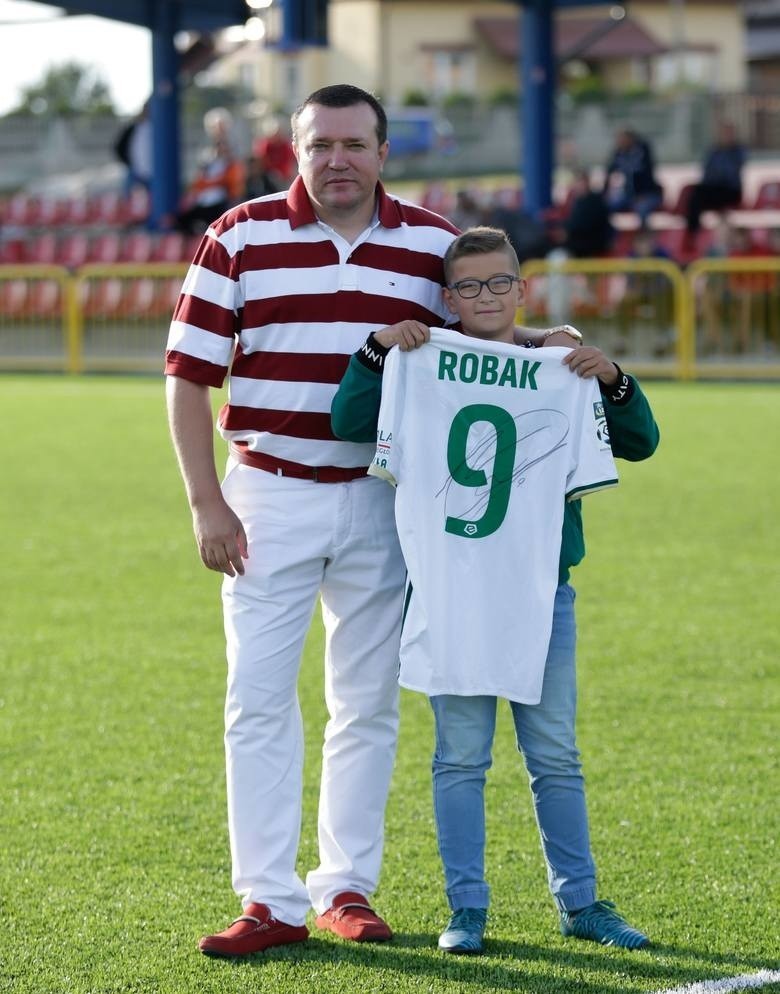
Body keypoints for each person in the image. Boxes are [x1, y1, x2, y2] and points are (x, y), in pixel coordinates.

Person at [165, 83, 464, 959]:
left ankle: (344, 887)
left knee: (364, 703)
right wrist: (204, 500)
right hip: (267, 491)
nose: (337, 159)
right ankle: (269, 899)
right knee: (257, 700)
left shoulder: (433, 244)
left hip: (382, 496)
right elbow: (188, 377)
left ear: (382, 153)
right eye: (319, 144)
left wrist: (558, 342)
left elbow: (482, 348)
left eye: (354, 144)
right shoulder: (239, 235)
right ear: (294, 152)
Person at [331, 226, 659, 956]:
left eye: (499, 283)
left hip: (541, 591)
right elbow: (349, 421)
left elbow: (640, 442)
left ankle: (580, 901)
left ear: (522, 287)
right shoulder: (424, 361)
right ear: (450, 297)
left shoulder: (557, 363)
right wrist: (379, 350)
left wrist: (612, 379)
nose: (486, 296)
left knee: (555, 755)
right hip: (451, 588)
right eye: (470, 286)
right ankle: (467, 908)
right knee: (460, 756)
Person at [176, 107, 247, 235]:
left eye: (221, 127)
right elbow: (199, 176)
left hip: (225, 197)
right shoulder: (206, 149)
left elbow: (236, 174)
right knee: (182, 219)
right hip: (205, 197)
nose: (219, 131)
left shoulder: (235, 148)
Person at [685, 122, 746, 236]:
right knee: (694, 194)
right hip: (713, 190)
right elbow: (706, 172)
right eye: (723, 133)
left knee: (700, 194)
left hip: (730, 191)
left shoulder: (738, 151)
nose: (726, 136)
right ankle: (692, 233)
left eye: (728, 133)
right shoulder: (713, 151)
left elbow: (729, 174)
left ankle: (693, 233)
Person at [603, 128, 663, 228]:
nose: (620, 142)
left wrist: (642, 195)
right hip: (628, 195)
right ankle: (608, 237)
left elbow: (648, 173)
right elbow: (609, 172)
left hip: (648, 194)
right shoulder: (619, 153)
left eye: (622, 139)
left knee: (642, 208)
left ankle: (643, 238)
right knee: (605, 206)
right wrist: (604, 193)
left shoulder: (642, 151)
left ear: (631, 139)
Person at [114, 101, 152, 197]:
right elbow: (118, 147)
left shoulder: (159, 128)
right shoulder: (134, 128)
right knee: (130, 201)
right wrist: (129, 163)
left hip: (154, 173)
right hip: (135, 172)